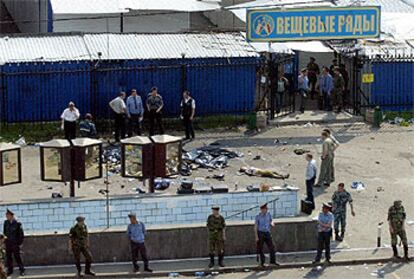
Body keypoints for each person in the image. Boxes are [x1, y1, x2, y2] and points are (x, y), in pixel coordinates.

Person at [3, 209, 25, 276]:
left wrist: (19, 243)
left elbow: (21, 235)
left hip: (15, 244)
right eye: (6, 215)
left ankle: (22, 270)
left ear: (11, 216)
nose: (6, 216)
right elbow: (4, 233)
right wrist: (4, 242)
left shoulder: (18, 223)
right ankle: (10, 270)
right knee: (9, 258)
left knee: (17, 257)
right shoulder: (6, 222)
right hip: (8, 243)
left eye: (7, 215)